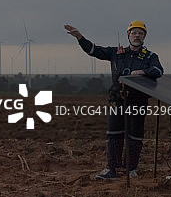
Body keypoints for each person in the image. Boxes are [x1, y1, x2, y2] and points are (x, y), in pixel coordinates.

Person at [64, 21, 163, 180]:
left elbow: (158, 71)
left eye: (140, 33)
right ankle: (112, 169)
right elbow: (94, 50)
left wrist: (143, 71)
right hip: (118, 101)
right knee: (114, 134)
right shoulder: (116, 53)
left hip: (137, 102)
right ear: (128, 35)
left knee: (135, 136)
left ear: (144, 36)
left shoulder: (150, 57)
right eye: (134, 33)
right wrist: (80, 38)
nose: (137, 36)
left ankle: (131, 169)